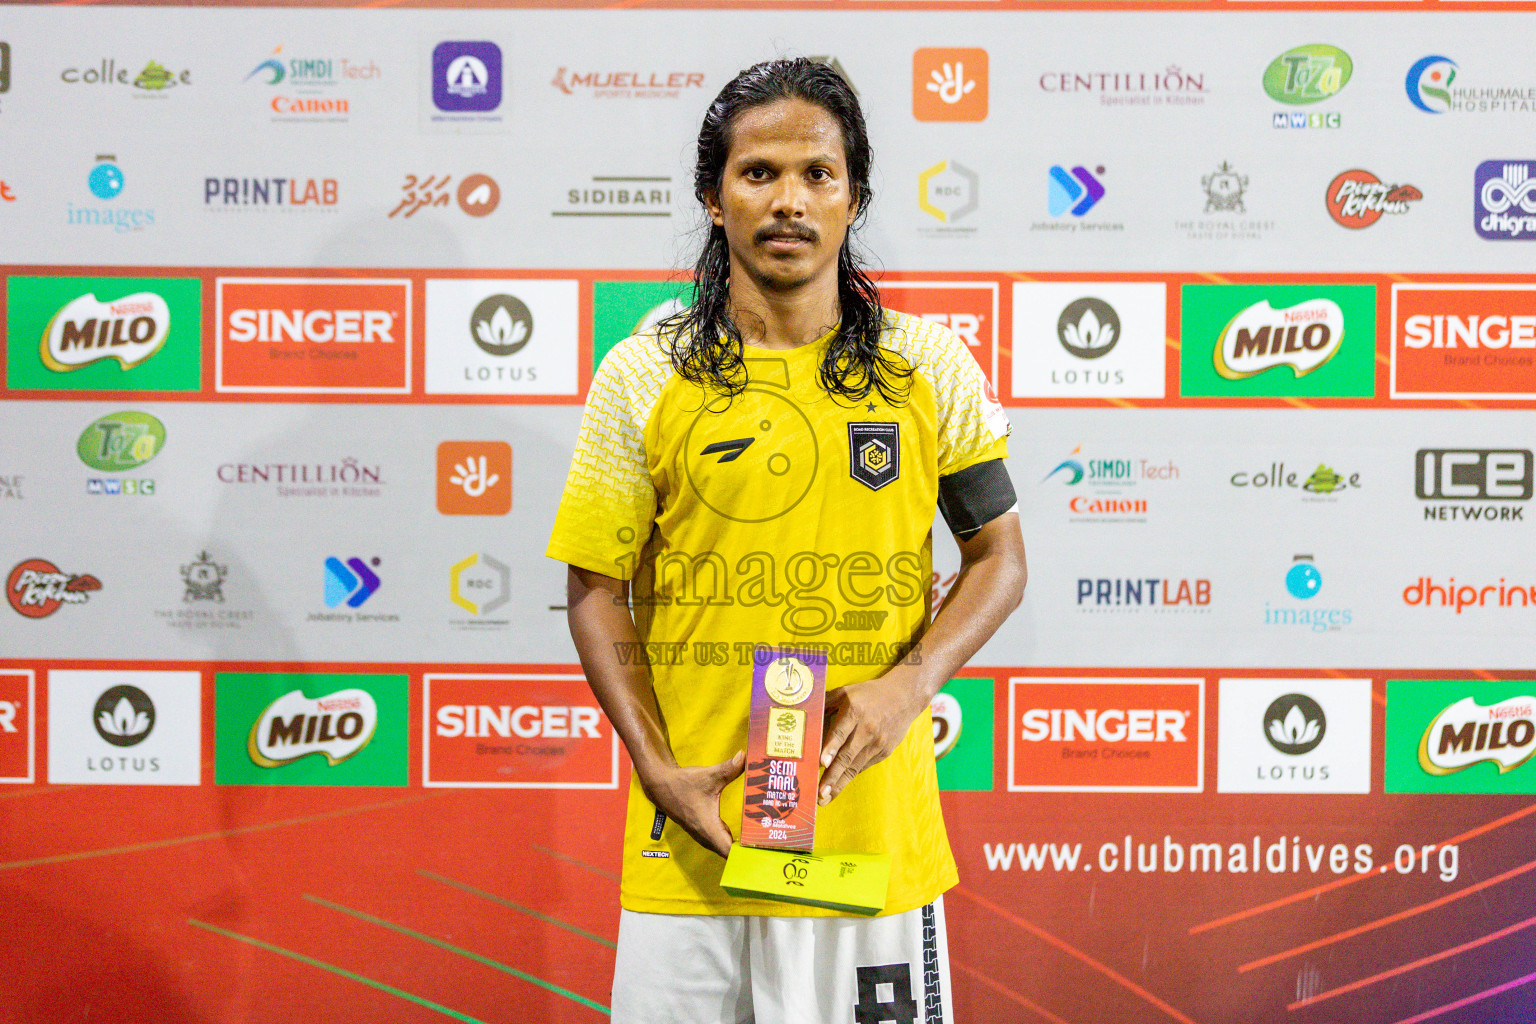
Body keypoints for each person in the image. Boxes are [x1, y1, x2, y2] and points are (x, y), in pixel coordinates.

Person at [547, 57, 1026, 1024]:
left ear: (856, 199)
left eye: (818, 174)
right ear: (713, 200)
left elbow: (1000, 561)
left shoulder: (926, 364)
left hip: (868, 844)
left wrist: (907, 686)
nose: (790, 202)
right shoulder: (643, 373)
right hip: (699, 841)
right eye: (758, 173)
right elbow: (595, 592)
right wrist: (657, 769)